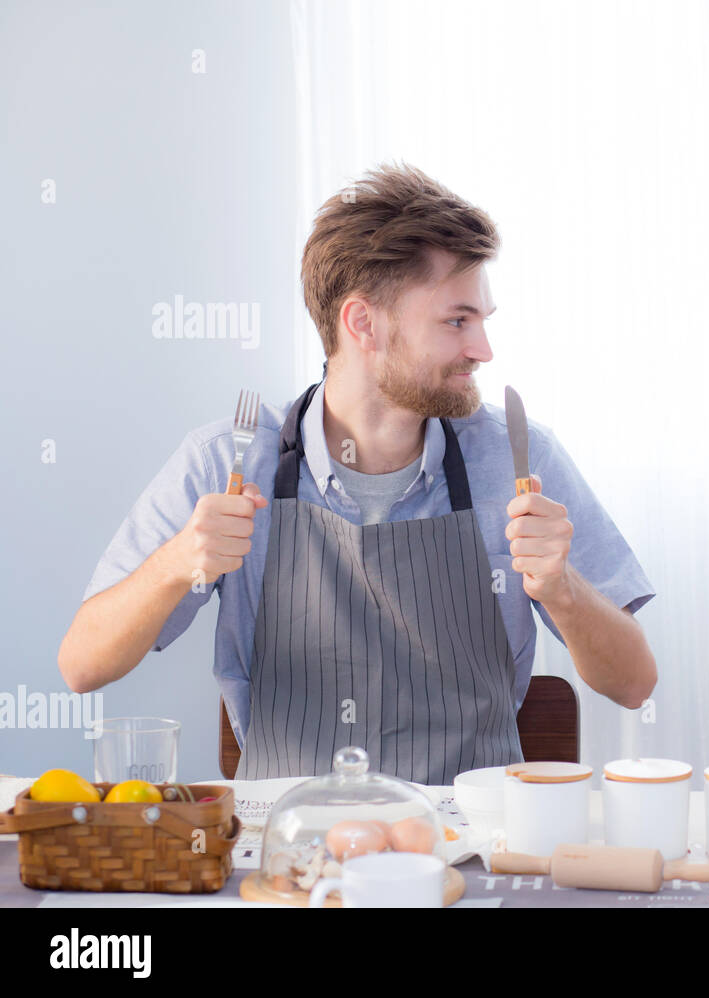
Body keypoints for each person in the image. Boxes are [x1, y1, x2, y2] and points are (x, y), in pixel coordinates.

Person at [58, 163, 657, 784]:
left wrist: (561, 588)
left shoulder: (516, 461)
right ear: (363, 323)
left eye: (482, 320)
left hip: (470, 842)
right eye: (457, 321)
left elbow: (635, 683)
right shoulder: (230, 462)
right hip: (289, 849)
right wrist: (180, 559)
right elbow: (82, 665)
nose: (483, 349)